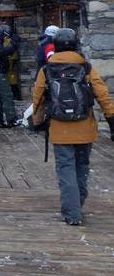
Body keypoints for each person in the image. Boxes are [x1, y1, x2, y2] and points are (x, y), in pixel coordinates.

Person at [32, 28, 114, 226]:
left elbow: (38, 98)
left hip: (60, 128)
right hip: (85, 126)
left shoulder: (47, 70)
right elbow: (102, 94)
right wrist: (111, 119)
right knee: (82, 167)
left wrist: (37, 121)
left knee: (66, 169)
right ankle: (78, 203)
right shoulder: (86, 68)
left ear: (56, 46)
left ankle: (72, 212)